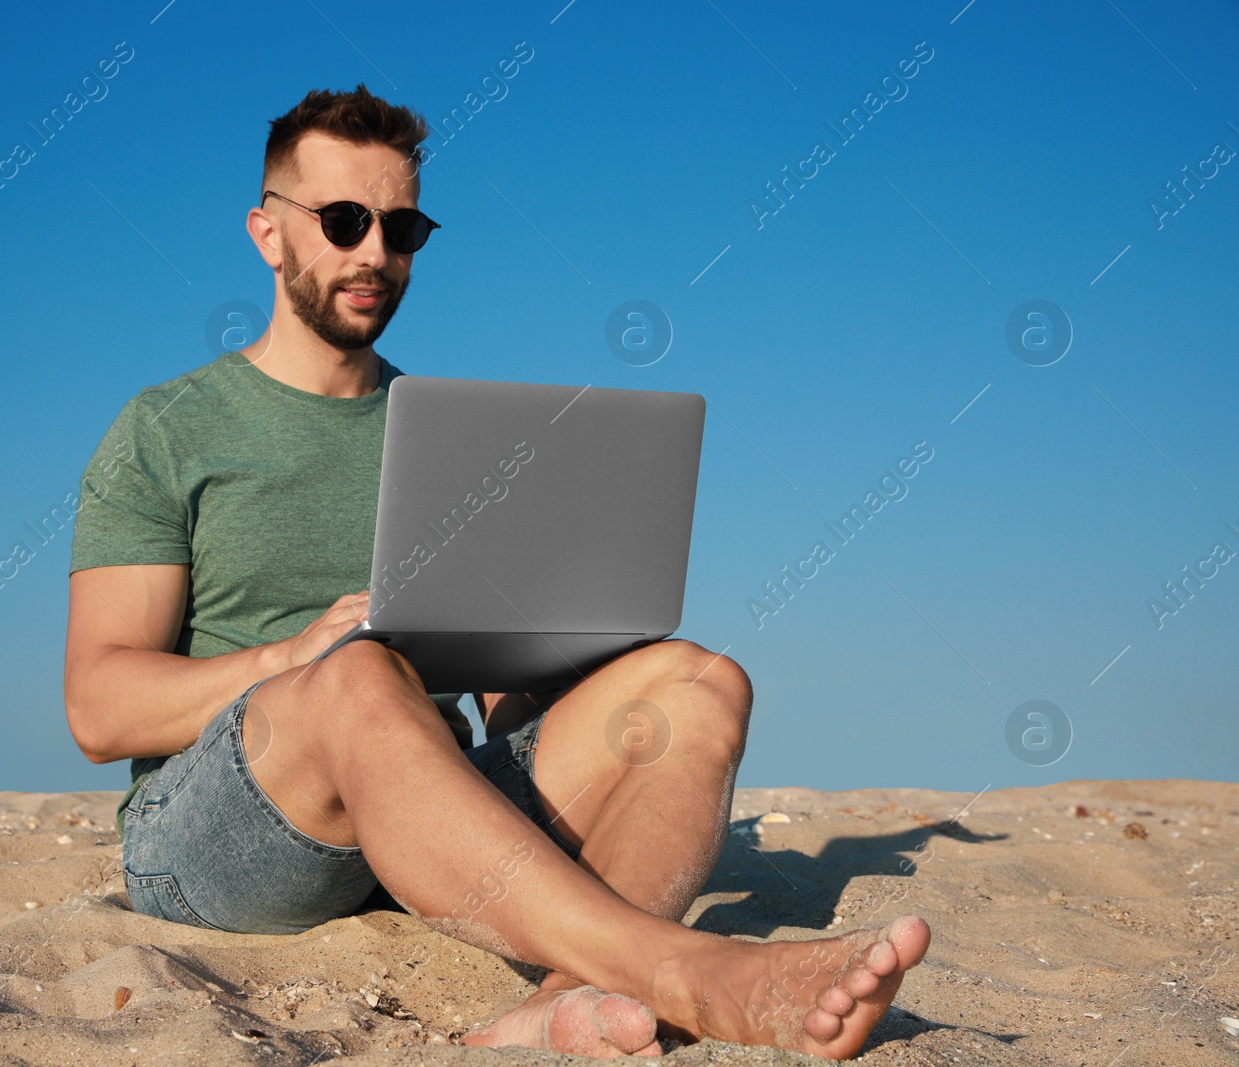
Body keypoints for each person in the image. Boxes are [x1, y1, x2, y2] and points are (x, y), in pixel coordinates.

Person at [64, 84, 929, 1059]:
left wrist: (573, 665)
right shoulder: (166, 429)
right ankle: (681, 967)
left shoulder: (452, 438)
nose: (374, 254)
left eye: (403, 228)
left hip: (424, 827)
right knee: (358, 672)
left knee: (699, 683)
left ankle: (562, 996)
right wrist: (291, 657)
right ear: (267, 233)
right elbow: (98, 708)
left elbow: (500, 705)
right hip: (218, 842)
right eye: (344, 221)